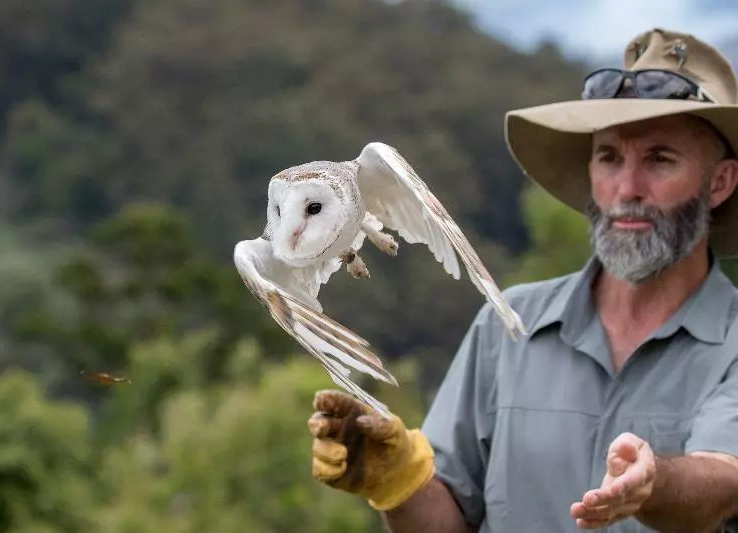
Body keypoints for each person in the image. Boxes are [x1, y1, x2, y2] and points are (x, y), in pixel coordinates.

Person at [306, 27, 738, 533]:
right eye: (609, 157)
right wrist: (399, 483)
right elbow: (447, 521)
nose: (627, 188)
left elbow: (723, 482)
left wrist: (654, 483)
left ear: (720, 183)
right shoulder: (508, 325)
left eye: (660, 159)